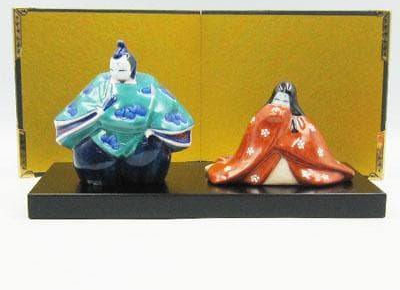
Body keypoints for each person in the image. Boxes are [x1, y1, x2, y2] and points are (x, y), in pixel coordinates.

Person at [54, 40, 194, 187]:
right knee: (86, 150)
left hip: (141, 140)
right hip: (102, 138)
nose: (115, 73)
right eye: (112, 69)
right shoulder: (101, 83)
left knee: (154, 153)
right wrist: (97, 114)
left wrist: (152, 130)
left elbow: (165, 107)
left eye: (121, 70)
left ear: (132, 68)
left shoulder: (149, 84)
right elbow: (82, 105)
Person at [206, 81, 354, 186]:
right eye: (277, 99)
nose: (280, 103)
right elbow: (252, 141)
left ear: (292, 103)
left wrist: (286, 144)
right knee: (244, 167)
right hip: (261, 158)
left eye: (285, 100)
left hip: (293, 160)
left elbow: (311, 142)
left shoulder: (301, 122)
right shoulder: (263, 116)